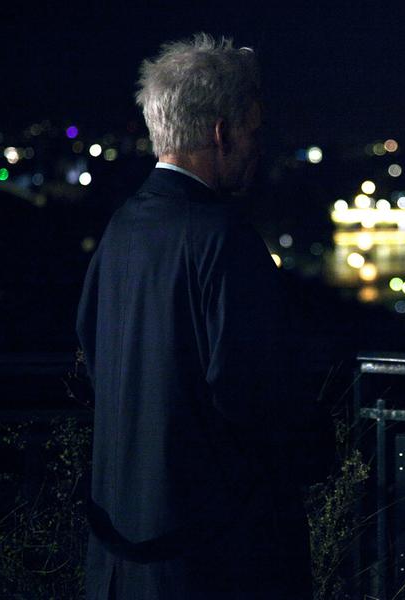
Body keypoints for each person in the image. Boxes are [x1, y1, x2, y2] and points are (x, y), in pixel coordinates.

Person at [77, 33, 311, 599]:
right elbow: (254, 396)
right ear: (222, 133)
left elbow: (93, 357)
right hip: (214, 559)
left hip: (122, 550)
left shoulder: (122, 228)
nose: (257, 147)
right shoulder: (224, 239)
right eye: (252, 130)